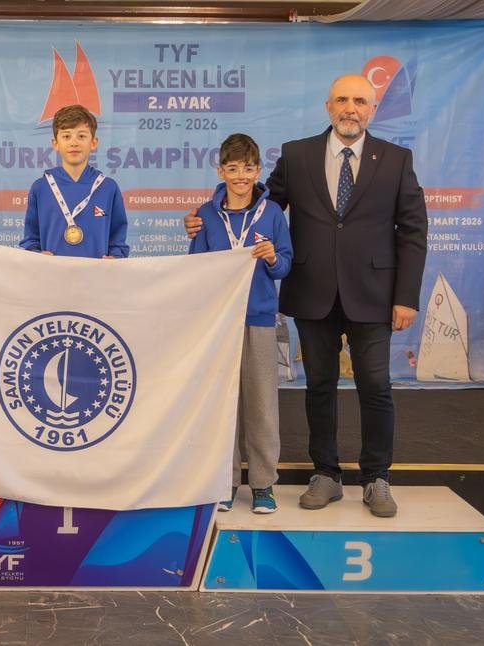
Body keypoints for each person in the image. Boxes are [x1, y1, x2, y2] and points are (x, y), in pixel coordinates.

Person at [184, 74, 428, 517]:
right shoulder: (297, 155)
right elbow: (258, 203)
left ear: (372, 110)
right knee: (319, 386)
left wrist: (406, 296)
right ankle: (326, 474)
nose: (350, 108)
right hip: (313, 291)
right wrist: (207, 216)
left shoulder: (396, 159)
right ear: (328, 106)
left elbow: (413, 229)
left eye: (360, 101)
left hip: (374, 295)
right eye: (342, 100)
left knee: (376, 387)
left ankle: (376, 478)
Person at [189, 134, 292, 514]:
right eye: (232, 169)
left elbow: (285, 265)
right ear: (221, 171)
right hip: (219, 324)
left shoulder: (272, 214)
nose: (241, 176)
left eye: (248, 169)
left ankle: (263, 484)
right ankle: (226, 482)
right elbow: (196, 269)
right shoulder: (205, 215)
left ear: (258, 170)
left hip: (259, 319)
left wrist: (272, 258)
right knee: (223, 407)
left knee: (262, 406)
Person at [20, 104, 129, 259]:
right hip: (52, 272)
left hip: (96, 272)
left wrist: (115, 257)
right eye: (66, 136)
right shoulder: (41, 187)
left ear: (94, 142)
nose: (74, 143)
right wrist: (36, 254)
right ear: (55, 144)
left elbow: (118, 238)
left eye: (82, 136)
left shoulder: (108, 187)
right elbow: (30, 239)